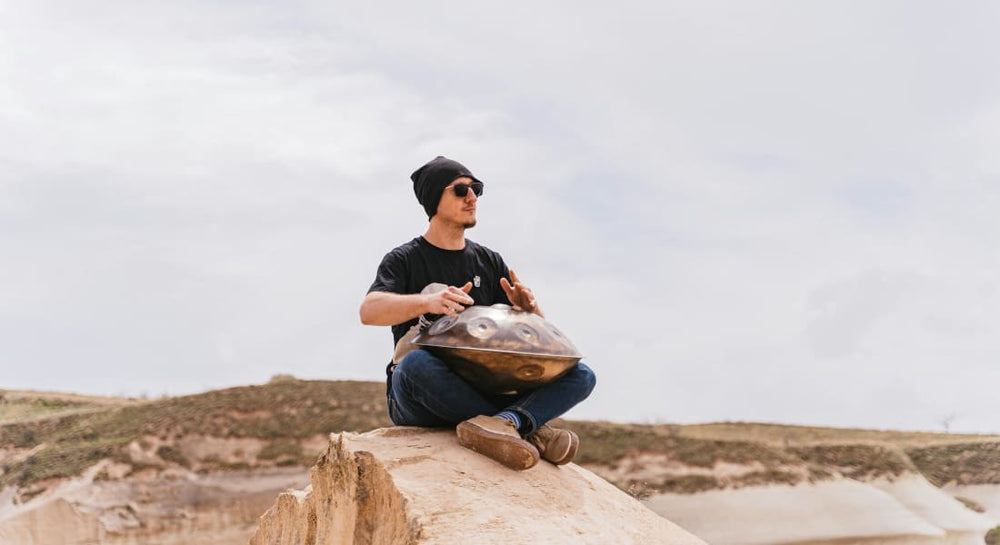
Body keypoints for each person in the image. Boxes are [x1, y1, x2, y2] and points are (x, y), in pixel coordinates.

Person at [359, 156, 596, 470]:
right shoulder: (404, 259)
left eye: (476, 189)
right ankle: (529, 428)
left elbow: (538, 345)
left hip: (482, 385)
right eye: (460, 190)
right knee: (415, 365)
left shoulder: (488, 260)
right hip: (421, 392)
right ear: (434, 199)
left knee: (581, 375)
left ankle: (505, 422)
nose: (472, 197)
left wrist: (530, 310)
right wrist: (428, 303)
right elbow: (368, 311)